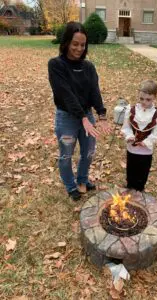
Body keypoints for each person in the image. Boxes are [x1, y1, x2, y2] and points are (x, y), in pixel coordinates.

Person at [48, 22, 110, 201]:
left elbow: (94, 92)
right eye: (75, 44)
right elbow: (66, 94)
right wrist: (83, 118)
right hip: (67, 118)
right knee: (66, 155)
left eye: (83, 45)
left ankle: (82, 179)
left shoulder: (88, 67)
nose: (79, 48)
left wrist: (102, 115)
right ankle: (70, 185)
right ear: (66, 42)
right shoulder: (56, 65)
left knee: (88, 152)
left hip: (87, 117)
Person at [121, 80, 157, 192]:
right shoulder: (131, 111)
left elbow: (156, 134)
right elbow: (126, 127)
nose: (144, 102)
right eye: (141, 98)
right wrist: (129, 136)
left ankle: (139, 192)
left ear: (154, 97)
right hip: (132, 149)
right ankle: (130, 190)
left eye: (148, 99)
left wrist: (146, 142)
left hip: (146, 151)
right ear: (138, 95)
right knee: (131, 172)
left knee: (142, 175)